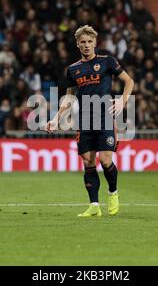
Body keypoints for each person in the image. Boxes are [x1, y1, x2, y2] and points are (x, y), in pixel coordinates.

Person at [46, 25, 134, 217]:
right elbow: (69, 97)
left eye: (90, 41)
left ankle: (113, 192)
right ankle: (94, 205)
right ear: (78, 44)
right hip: (84, 120)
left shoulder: (107, 62)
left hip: (104, 117)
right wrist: (55, 118)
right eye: (83, 42)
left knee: (105, 159)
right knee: (88, 161)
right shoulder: (73, 69)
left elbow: (129, 81)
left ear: (95, 42)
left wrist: (123, 100)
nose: (87, 45)